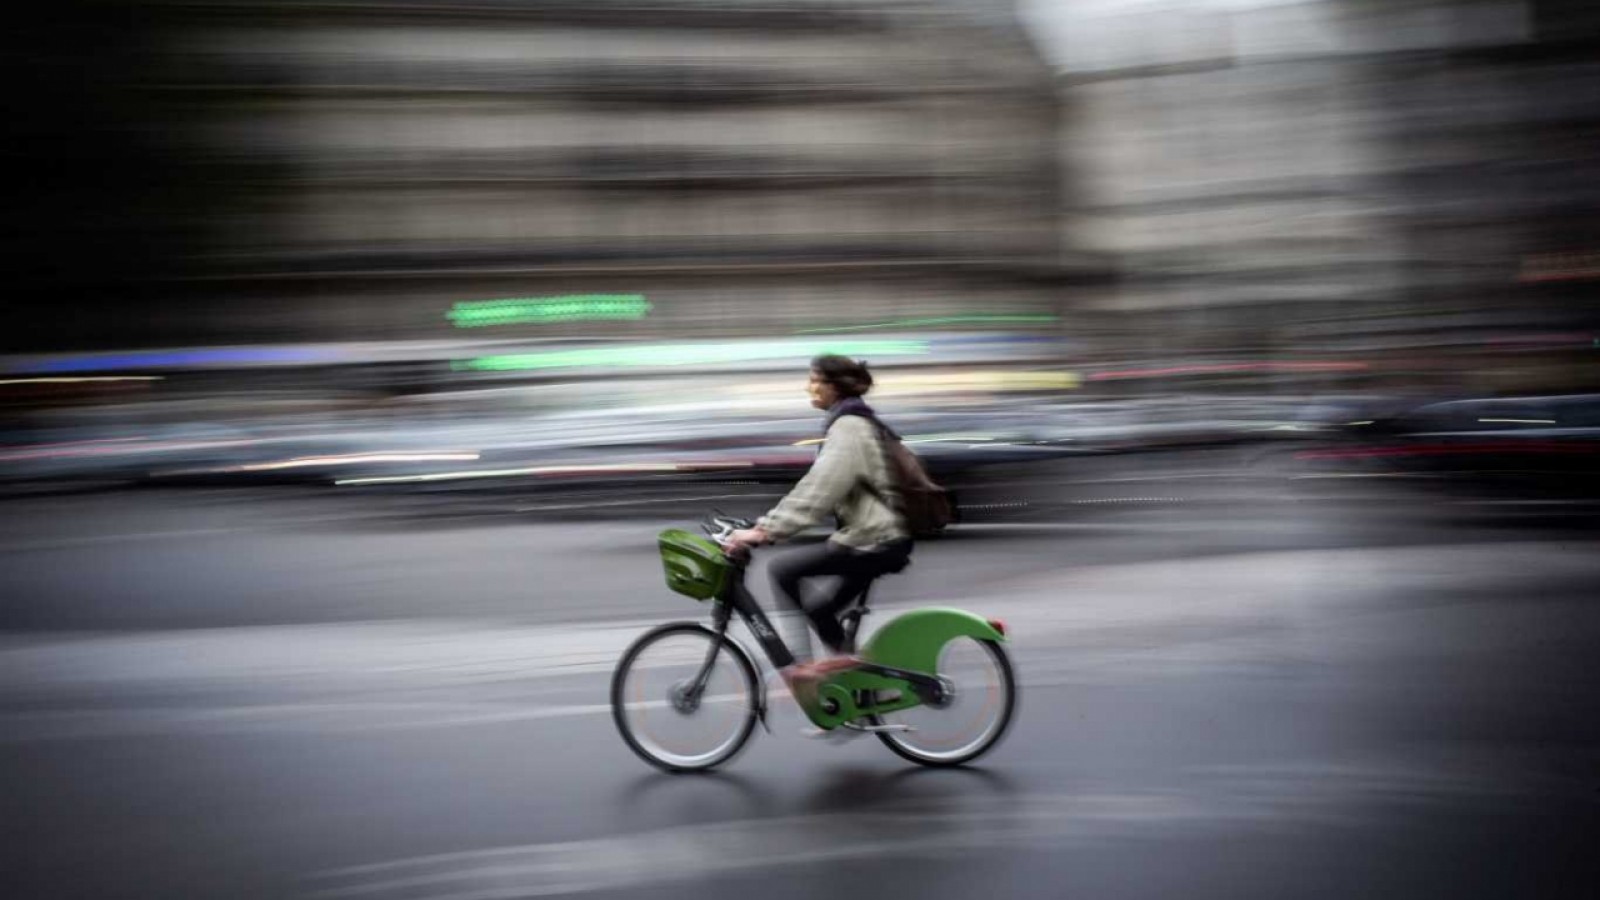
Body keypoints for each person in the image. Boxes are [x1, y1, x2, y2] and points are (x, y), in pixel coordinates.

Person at [727, 354, 913, 693]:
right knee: (820, 611)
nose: (808, 387)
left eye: (815, 380)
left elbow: (820, 489)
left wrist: (765, 530)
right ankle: (861, 687)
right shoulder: (853, 421)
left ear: (834, 386)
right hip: (874, 537)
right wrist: (763, 525)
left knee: (783, 570)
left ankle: (804, 668)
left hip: (875, 540)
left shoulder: (849, 426)